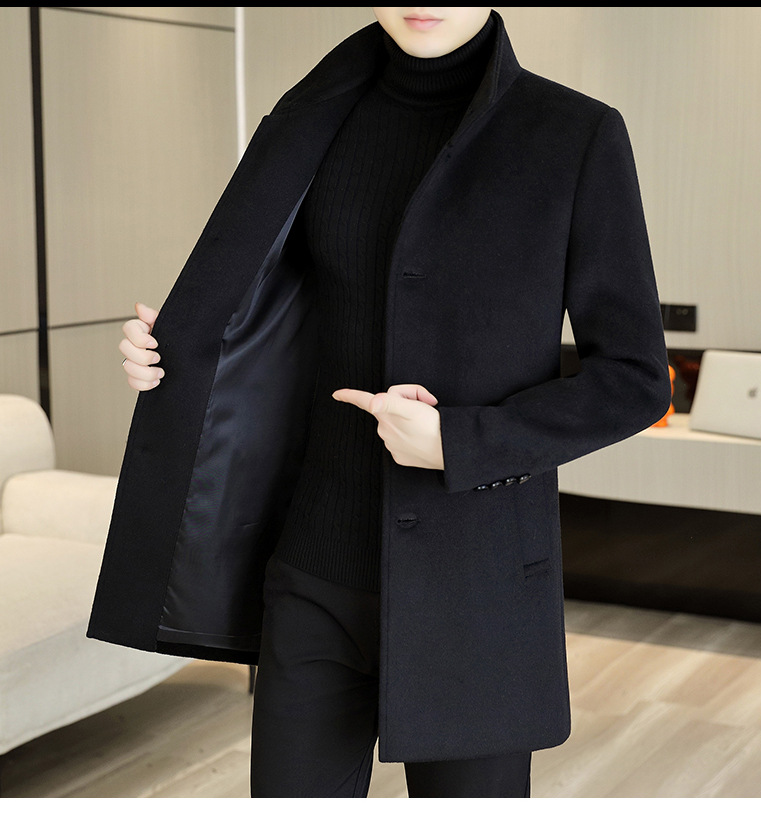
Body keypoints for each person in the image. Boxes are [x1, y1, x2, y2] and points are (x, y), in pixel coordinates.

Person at [90, 7, 671, 798]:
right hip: (311, 570)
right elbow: (275, 320)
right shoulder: (307, 122)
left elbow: (635, 378)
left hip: (476, 587)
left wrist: (461, 441)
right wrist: (176, 355)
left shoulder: (574, 134)